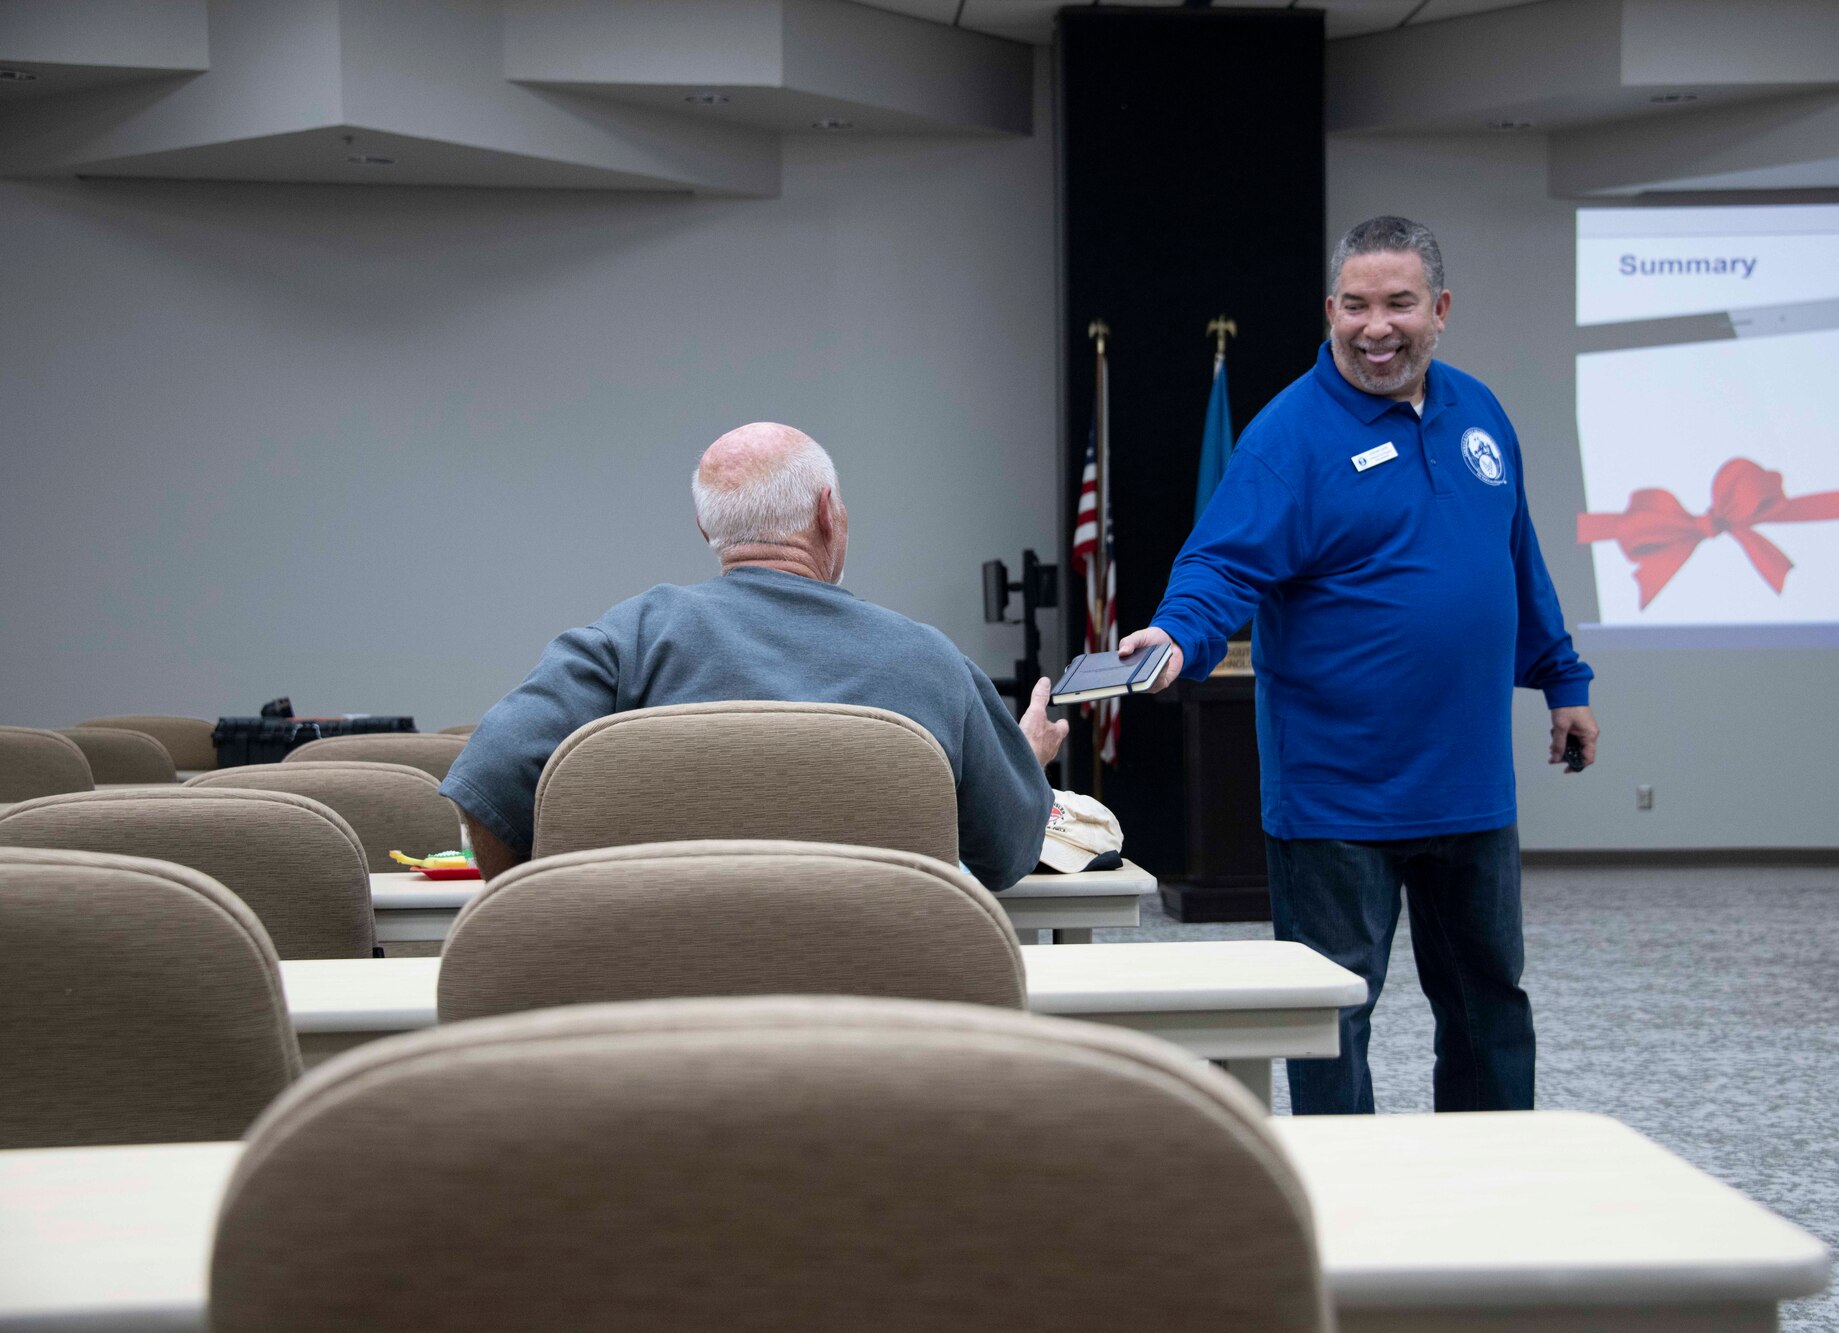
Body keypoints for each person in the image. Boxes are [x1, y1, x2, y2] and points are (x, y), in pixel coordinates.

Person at [1119, 216, 1598, 1116]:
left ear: (1441, 309)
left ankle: (1496, 1192)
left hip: (1470, 787)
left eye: (1399, 303)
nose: (1376, 326)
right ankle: (1344, 1215)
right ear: (1330, 310)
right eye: (1356, 305)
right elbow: (1220, 563)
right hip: (1338, 800)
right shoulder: (1288, 436)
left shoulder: (1480, 411)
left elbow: (1515, 557)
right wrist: (1178, 634)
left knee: (1490, 1010)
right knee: (1332, 1019)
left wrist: (1562, 680)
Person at [442, 421, 1065, 889]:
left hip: (663, 1014)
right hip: (878, 1015)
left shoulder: (631, 637)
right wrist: (1024, 760)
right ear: (829, 514)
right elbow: (1007, 856)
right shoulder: (930, 660)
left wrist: (536, 912)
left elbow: (489, 782)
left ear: (707, 532)